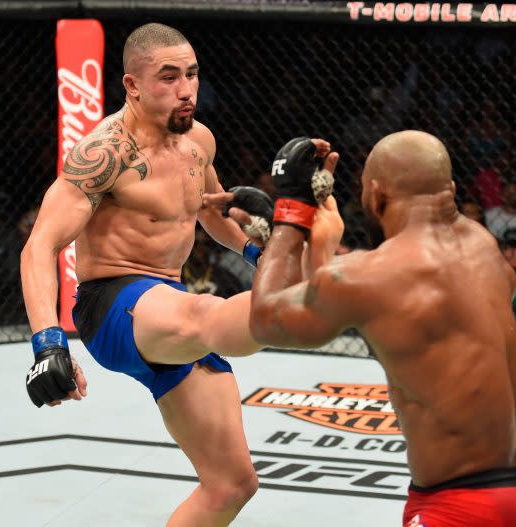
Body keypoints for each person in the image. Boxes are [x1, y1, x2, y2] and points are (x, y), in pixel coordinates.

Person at [20, 22, 337, 527]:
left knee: (232, 484)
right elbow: (40, 246)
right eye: (168, 77)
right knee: (207, 312)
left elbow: (210, 212)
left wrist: (257, 253)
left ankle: (284, 287)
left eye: (191, 74)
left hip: (168, 305)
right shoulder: (103, 154)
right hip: (113, 303)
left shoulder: (198, 141)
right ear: (132, 85)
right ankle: (292, 299)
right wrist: (48, 344)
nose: (185, 88)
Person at [250, 131, 516, 527]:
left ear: (376, 195)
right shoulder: (483, 244)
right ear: (451, 189)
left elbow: (266, 320)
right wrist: (322, 252)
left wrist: (292, 210)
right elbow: (410, 324)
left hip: (464, 505)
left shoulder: (367, 276)